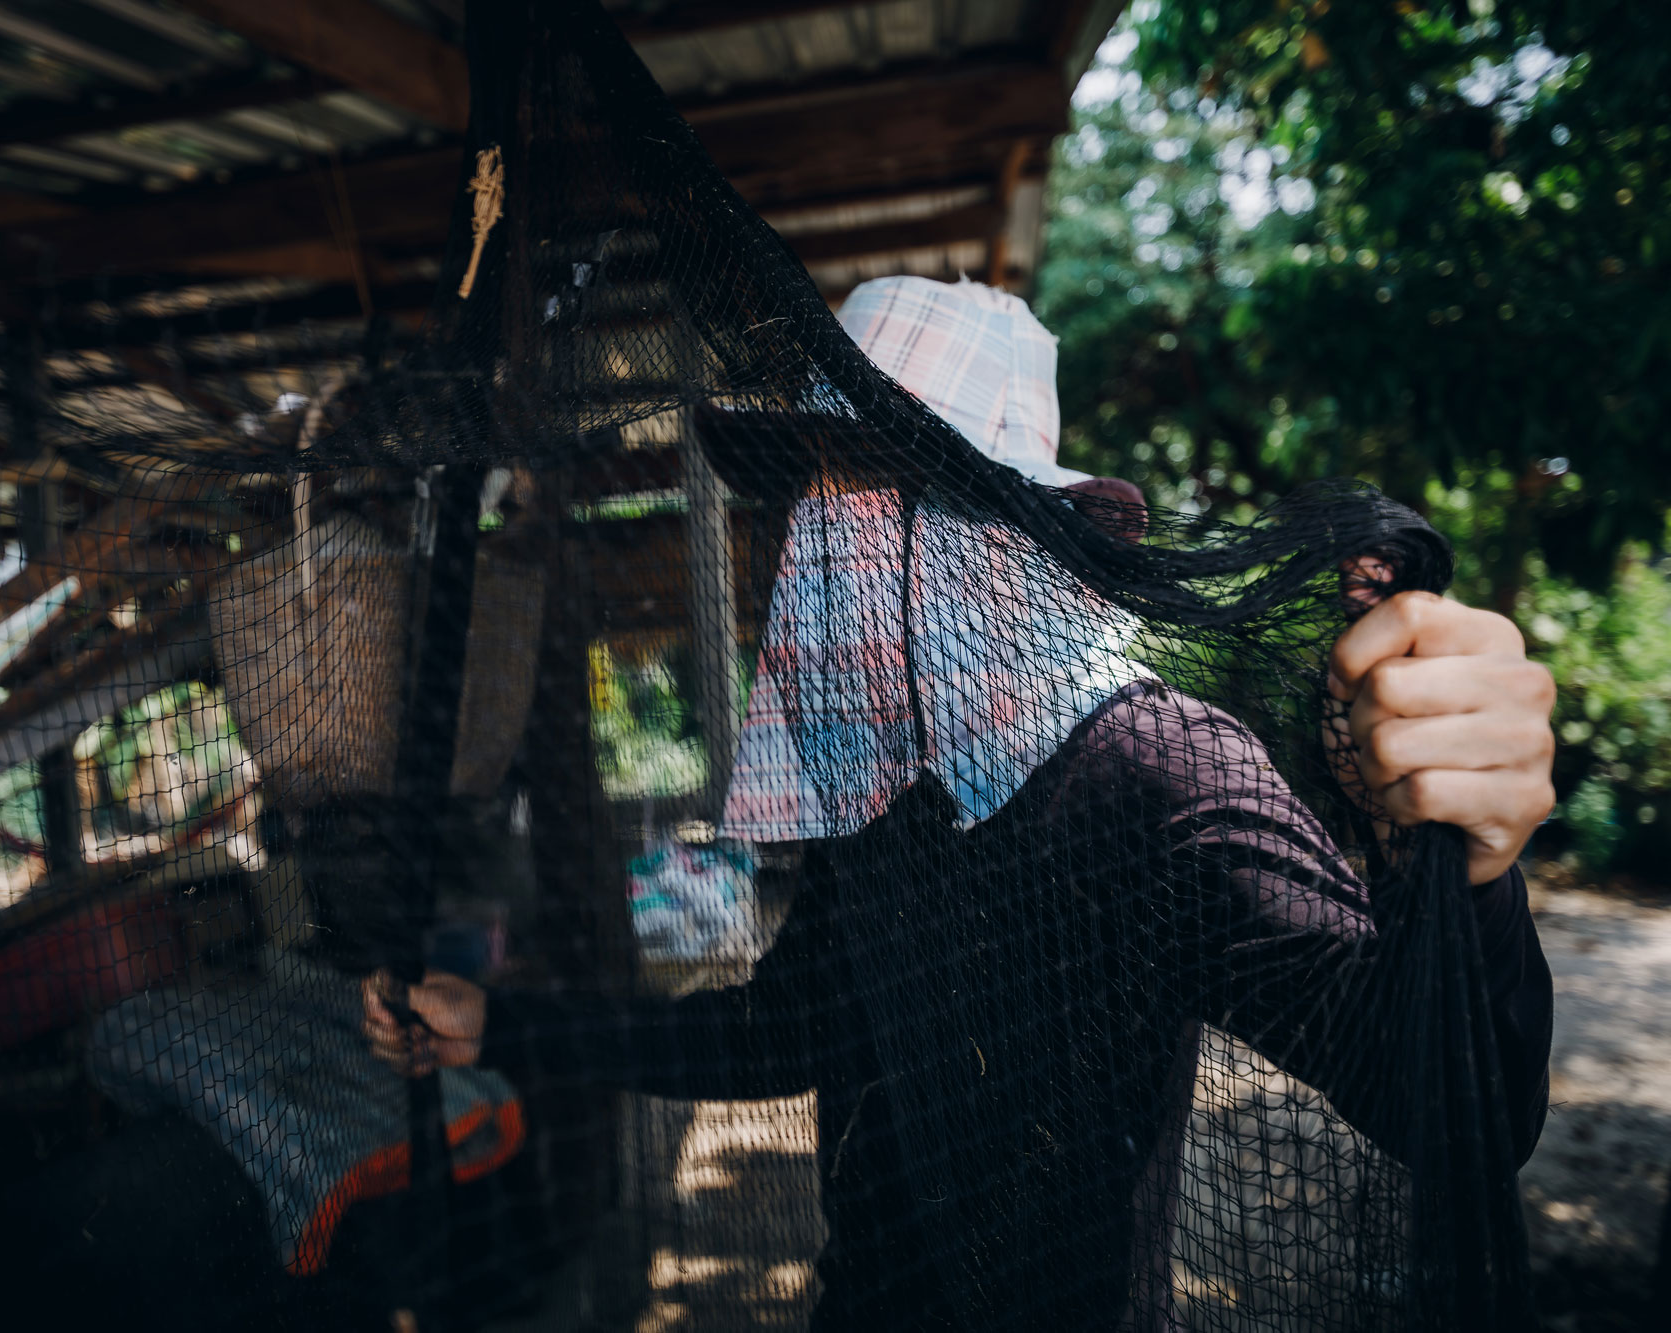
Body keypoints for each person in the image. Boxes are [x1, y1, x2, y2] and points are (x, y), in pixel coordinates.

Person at [364, 277, 1556, 1329]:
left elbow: (1456, 1111)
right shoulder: (877, 779)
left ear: (1007, 528)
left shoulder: (1157, 770)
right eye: (815, 489)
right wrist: (501, 1023)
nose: (826, 532)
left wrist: (1474, 874)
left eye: (879, 481)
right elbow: (779, 1032)